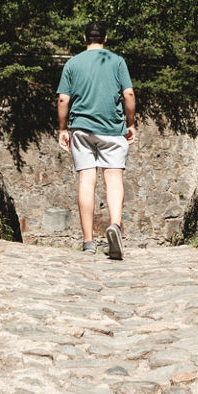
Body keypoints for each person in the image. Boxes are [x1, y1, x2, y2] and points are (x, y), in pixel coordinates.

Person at [56, 21, 136, 258]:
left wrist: (63, 129)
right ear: (105, 38)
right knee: (113, 179)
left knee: (86, 181)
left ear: (84, 38)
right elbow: (129, 94)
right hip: (112, 128)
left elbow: (63, 99)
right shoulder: (117, 61)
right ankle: (115, 225)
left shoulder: (72, 63)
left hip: (81, 130)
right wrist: (130, 123)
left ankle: (88, 241)